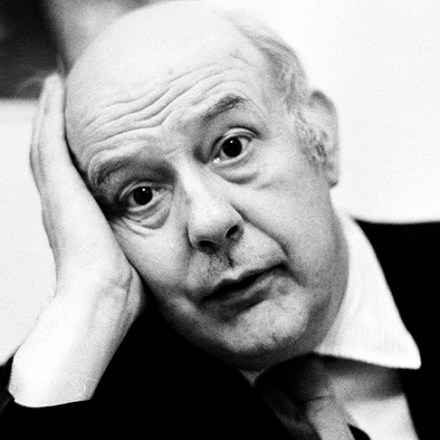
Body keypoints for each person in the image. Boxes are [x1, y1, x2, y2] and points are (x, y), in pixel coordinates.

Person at [0, 1, 438, 438]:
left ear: (320, 137)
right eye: (142, 195)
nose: (209, 222)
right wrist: (93, 298)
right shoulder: (77, 397)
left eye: (232, 147)